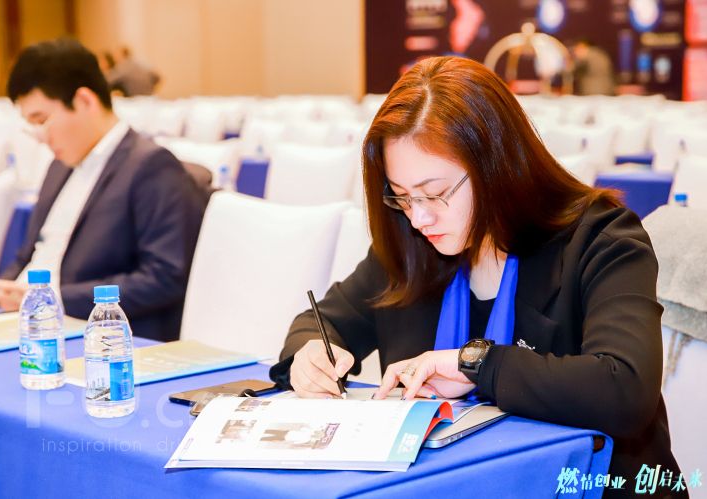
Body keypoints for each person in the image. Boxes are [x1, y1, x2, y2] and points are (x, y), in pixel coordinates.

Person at [270, 56, 684, 495]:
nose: (419, 218)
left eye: (434, 193)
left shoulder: (599, 239)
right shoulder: (413, 246)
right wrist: (310, 356)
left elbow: (624, 389)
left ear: (496, 165)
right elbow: (320, 323)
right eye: (403, 197)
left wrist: (476, 364)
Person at [0, 38, 204, 342]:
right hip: (25, 324)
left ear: (84, 101)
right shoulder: (59, 165)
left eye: (42, 120)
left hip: (93, 335)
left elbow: (164, 277)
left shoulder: (152, 167)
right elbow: (29, 254)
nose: (40, 137)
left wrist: (54, 298)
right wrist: (1, 291)